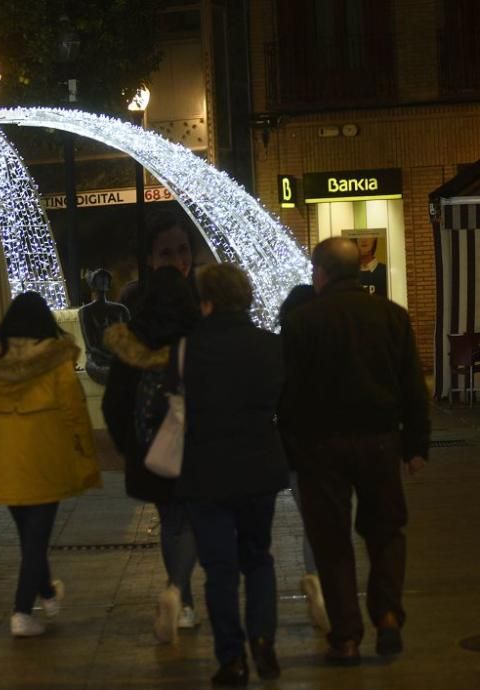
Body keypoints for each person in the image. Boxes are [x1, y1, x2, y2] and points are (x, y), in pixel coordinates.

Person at [280, 237, 429, 666]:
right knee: (385, 531)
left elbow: (288, 395)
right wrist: (415, 445)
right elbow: (412, 389)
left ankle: (345, 637)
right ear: (359, 271)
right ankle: (386, 616)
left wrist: (290, 447)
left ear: (320, 273)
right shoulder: (392, 317)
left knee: (332, 541)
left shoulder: (302, 322)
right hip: (381, 440)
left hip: (320, 447)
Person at [177, 264, 289, 685]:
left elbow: (169, 408)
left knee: (220, 568)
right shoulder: (270, 346)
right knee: (258, 558)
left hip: (205, 471)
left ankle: (232, 658)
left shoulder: (188, 349)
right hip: (259, 467)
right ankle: (263, 639)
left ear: (206, 300)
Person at [0, 291, 101, 638]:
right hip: (46, 457)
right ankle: (22, 611)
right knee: (35, 540)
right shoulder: (55, 359)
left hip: (3, 461)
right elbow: (74, 410)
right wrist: (86, 452)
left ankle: (47, 593)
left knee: (30, 537)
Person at [102, 266, 201, 644]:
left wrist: (128, 447)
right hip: (194, 447)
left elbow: (114, 403)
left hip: (149, 449)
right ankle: (180, 593)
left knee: (168, 521)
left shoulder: (131, 342)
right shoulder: (199, 337)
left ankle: (185, 601)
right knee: (189, 520)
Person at [277, 285, 330, 632]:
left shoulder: (279, 350)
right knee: (325, 520)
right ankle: (320, 582)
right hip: (330, 447)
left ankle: (317, 581)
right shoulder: (329, 348)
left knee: (313, 518)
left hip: (293, 450)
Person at [119, 212, 194, 308]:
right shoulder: (135, 296)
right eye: (166, 253)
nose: (178, 261)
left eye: (183, 249)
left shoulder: (204, 293)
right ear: (149, 259)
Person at [78, 268, 130, 385]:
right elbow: (91, 346)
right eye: (99, 279)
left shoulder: (120, 310)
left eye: (104, 279)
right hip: (98, 360)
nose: (102, 282)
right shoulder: (86, 311)